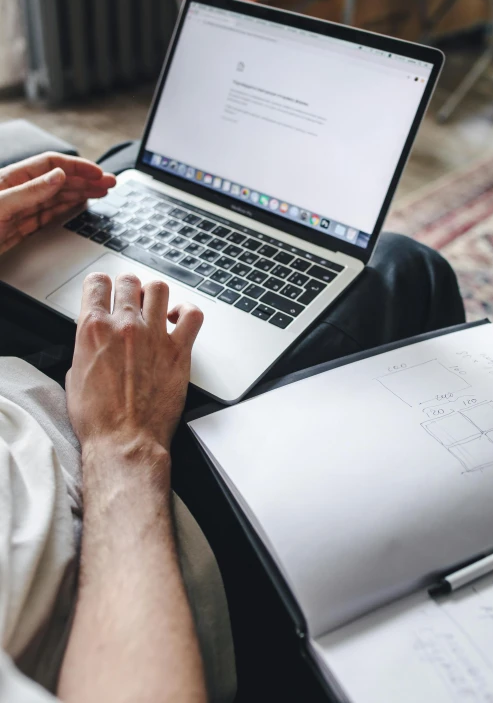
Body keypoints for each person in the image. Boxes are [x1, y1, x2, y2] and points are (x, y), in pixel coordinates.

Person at [0, 152, 466, 703]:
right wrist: (124, 438)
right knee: (404, 267)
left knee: (128, 173)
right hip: (120, 508)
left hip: (26, 396)